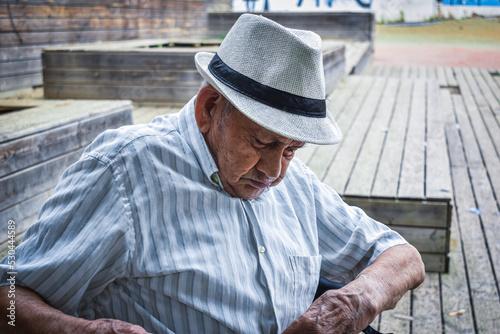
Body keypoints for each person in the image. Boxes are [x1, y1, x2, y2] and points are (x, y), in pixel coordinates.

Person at [0, 14, 424, 334]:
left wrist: (357, 300)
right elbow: (10, 297)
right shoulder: (122, 172)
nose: (275, 172)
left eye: (292, 149)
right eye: (262, 143)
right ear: (209, 109)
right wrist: (80, 331)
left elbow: (403, 256)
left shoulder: (293, 182)